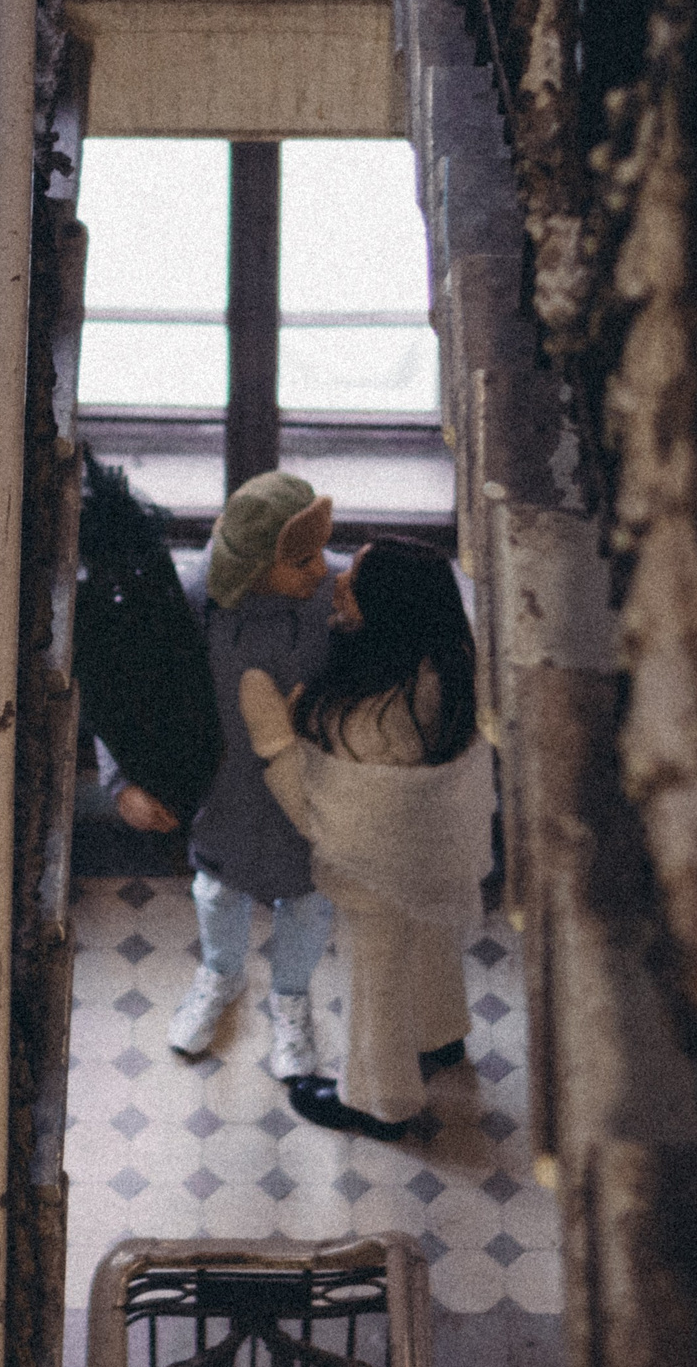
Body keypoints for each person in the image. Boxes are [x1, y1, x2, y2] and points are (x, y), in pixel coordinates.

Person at [237, 537, 493, 1141]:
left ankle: (379, 1102)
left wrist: (276, 739)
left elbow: (322, 805)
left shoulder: (373, 715)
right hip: (439, 850)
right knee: (429, 941)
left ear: (387, 610)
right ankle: (440, 1036)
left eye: (353, 578)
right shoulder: (446, 667)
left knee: (375, 979)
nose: (336, 581)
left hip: (379, 869)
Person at [103, 470, 342, 1079]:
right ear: (258, 564)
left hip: (313, 793)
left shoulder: (337, 595)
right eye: (302, 560)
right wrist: (121, 782)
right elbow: (120, 691)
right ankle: (220, 974)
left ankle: (291, 1000)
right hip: (222, 791)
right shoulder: (187, 603)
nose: (322, 570)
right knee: (215, 893)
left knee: (310, 905)